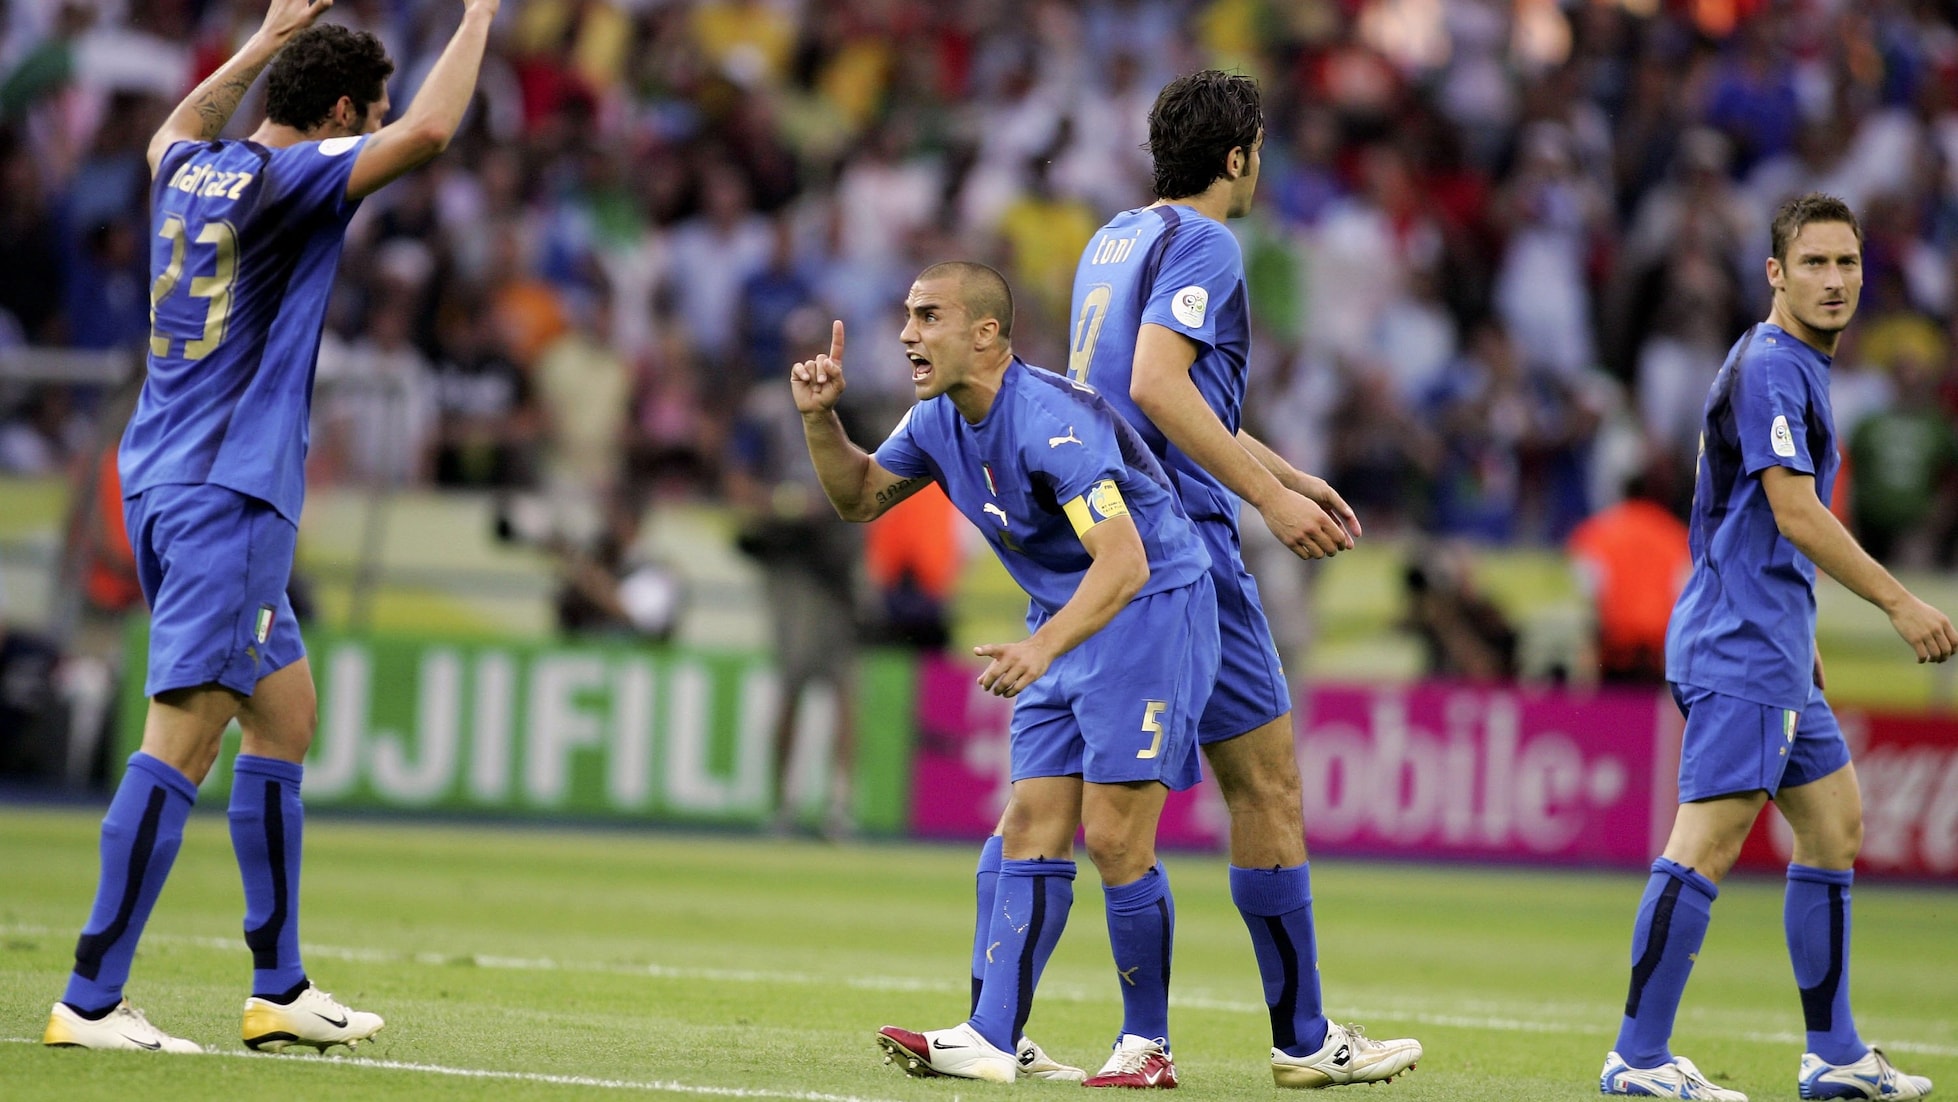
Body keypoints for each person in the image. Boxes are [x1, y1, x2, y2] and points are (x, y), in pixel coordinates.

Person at [42, 0, 500, 1055]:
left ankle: (280, 987)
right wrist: (479, 11)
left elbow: (173, 129)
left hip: (164, 478)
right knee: (185, 736)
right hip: (226, 494)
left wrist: (265, 34)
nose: (372, 134)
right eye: (362, 119)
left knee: (283, 714)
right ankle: (91, 997)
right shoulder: (292, 181)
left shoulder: (187, 167)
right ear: (340, 111)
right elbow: (429, 133)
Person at [1052, 69, 1422, 1087]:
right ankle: (1196, 1040)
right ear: (1236, 157)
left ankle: (1286, 1041)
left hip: (1112, 528)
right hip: (1185, 547)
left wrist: (1286, 474)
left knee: (1253, 783)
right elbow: (1156, 386)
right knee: (1211, 797)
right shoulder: (1207, 243)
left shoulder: (1111, 238)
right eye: (1258, 147)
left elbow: (1155, 393)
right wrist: (1266, 502)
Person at [793, 262, 1217, 1087]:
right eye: (906, 316)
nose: (908, 333)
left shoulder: (1052, 424)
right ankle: (992, 1035)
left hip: (1149, 609)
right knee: (1026, 825)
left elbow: (1124, 561)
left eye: (928, 316)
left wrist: (1045, 648)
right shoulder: (935, 421)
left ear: (986, 333)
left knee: (1116, 836)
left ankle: (1148, 1047)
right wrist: (820, 421)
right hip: (1061, 620)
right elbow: (859, 498)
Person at [1599, 194, 1957, 1102]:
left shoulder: (1798, 365)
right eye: (1814, 264)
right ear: (1775, 274)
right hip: (1739, 646)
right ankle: (1636, 1059)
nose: (1834, 281)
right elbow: (1794, 511)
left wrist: (1802, 635)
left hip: (1773, 643)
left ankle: (1833, 1056)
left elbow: (1754, 522)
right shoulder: (1768, 366)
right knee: (1708, 842)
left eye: (1847, 264)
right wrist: (1897, 602)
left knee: (1834, 823)